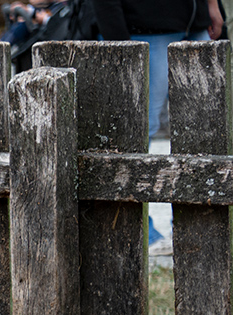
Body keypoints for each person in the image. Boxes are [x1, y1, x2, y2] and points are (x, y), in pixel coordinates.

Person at [93, 0, 224, 255]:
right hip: (144, 29)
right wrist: (119, 41)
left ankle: (198, 234)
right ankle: (143, 233)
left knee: (206, 129)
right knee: (138, 130)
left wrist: (212, 4)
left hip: (196, 24)